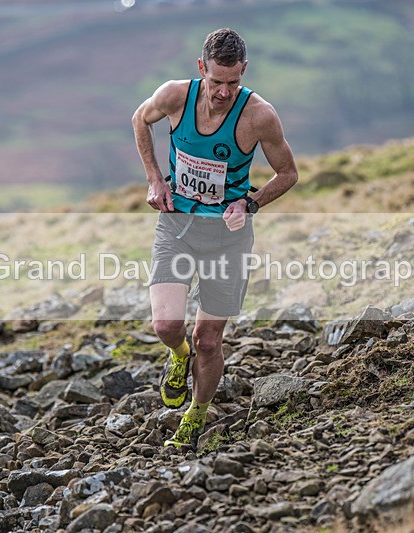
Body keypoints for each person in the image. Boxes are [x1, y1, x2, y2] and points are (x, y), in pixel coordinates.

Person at [131, 28, 298, 449]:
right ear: (201, 67)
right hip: (177, 226)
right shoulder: (175, 96)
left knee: (208, 341)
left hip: (228, 238)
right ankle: (177, 355)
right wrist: (154, 179)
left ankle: (195, 416)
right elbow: (140, 119)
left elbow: (288, 173)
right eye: (216, 81)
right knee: (167, 325)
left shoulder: (259, 115)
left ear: (244, 71)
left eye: (233, 82)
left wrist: (250, 203)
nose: (224, 92)